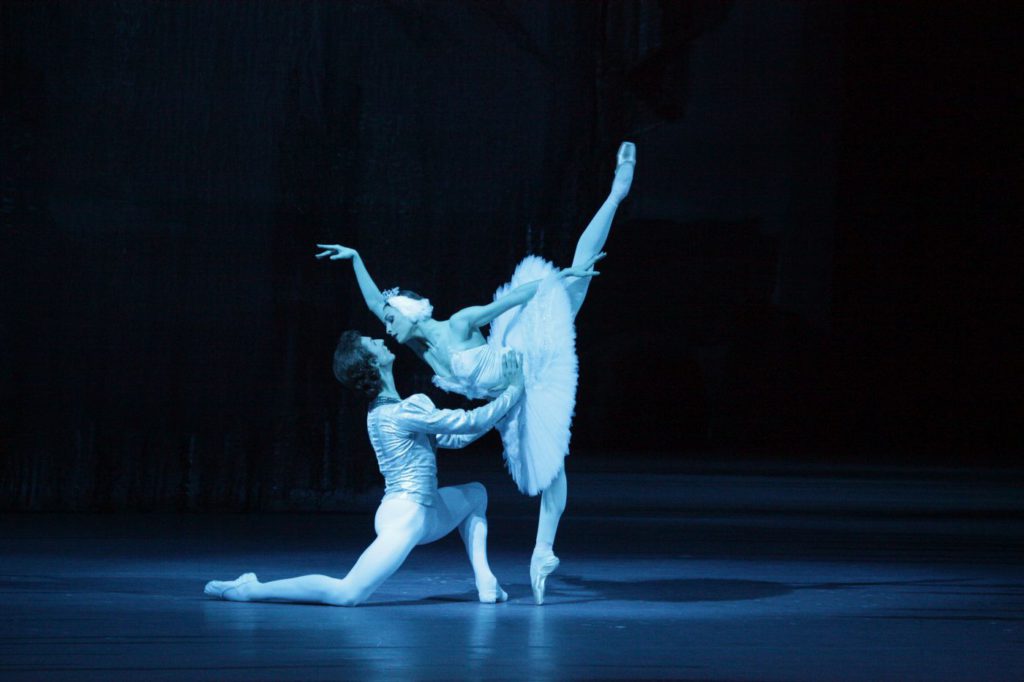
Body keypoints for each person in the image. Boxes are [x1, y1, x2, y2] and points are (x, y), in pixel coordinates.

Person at [315, 141, 635, 604]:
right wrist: (357, 258)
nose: (385, 323)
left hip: (519, 364)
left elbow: (508, 302)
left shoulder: (459, 323)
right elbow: (373, 301)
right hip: (502, 397)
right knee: (544, 468)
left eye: (390, 317)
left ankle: (615, 194)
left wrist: (555, 282)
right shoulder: (418, 345)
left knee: (579, 282)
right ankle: (543, 554)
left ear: (409, 312)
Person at [203, 332, 524, 606]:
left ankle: (486, 581)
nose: (378, 339)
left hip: (429, 511)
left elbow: (456, 438)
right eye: (370, 343)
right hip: (406, 515)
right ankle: (251, 590)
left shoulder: (406, 407)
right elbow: (468, 421)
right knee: (348, 593)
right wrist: (512, 391)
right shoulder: (397, 412)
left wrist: (501, 413)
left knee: (476, 494)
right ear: (371, 362)